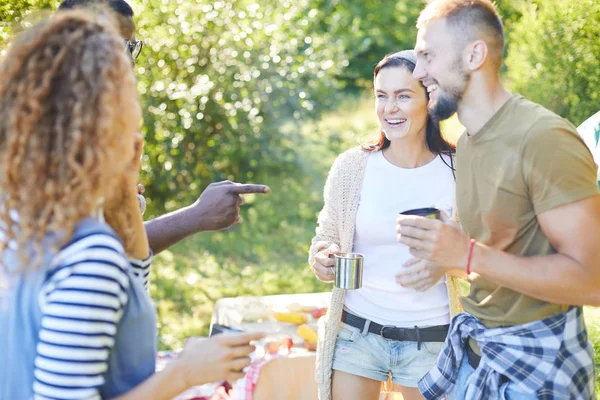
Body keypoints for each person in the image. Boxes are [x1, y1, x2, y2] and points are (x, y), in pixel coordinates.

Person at [0, 11, 263, 399]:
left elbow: (127, 303)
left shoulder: (20, 219)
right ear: (109, 117)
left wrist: (121, 187)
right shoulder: (89, 255)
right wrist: (185, 372)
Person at [396, 0, 600, 398]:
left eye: (427, 57)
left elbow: (593, 282)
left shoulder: (543, 138)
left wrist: (467, 255)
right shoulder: (469, 142)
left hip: (540, 366)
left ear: (474, 55)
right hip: (479, 355)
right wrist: (449, 253)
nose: (418, 74)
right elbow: (502, 249)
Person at [309, 50, 464, 400]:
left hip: (432, 342)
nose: (389, 108)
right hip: (356, 336)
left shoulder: (460, 170)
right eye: (381, 96)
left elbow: (482, 260)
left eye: (403, 96)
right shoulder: (352, 168)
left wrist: (445, 263)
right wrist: (322, 257)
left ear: (430, 100)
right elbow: (326, 236)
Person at [58, 0, 271, 256]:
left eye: (133, 48)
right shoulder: (52, 133)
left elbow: (109, 240)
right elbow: (87, 254)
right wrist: (195, 216)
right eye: (123, 47)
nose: (132, 63)